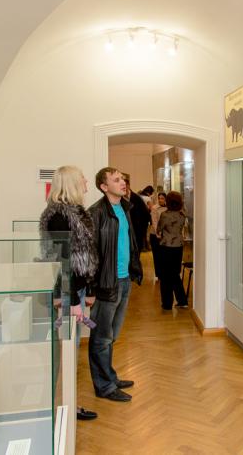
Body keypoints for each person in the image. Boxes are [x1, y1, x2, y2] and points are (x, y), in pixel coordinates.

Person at [38, 165, 99, 421]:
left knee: (70, 347)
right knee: (66, 349)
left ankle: (67, 404)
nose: (86, 182)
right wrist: (72, 299)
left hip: (76, 288)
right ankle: (63, 407)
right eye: (82, 178)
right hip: (67, 291)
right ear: (72, 183)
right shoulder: (58, 216)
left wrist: (87, 289)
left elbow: (86, 255)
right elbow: (61, 261)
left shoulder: (75, 212)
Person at [88, 167, 143, 402]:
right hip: (106, 284)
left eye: (123, 178)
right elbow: (90, 255)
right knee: (101, 338)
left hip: (124, 280)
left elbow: (130, 243)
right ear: (104, 186)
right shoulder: (96, 213)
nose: (123, 182)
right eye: (116, 179)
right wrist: (91, 289)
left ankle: (109, 377)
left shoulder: (125, 208)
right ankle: (104, 386)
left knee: (112, 335)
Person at [156, 191, 188, 310]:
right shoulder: (182, 215)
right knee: (175, 274)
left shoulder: (165, 215)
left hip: (166, 246)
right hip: (178, 246)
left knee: (165, 275)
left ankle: (167, 303)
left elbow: (159, 229)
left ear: (168, 202)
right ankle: (182, 300)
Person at [122, 173, 150, 252]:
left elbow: (146, 216)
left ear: (128, 186)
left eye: (124, 185)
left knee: (136, 255)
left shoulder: (137, 198)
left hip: (136, 233)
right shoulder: (119, 198)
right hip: (124, 234)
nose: (122, 187)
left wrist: (141, 232)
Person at [149, 192, 167, 281]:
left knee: (164, 256)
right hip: (155, 235)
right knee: (157, 256)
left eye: (162, 198)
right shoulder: (154, 208)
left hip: (165, 235)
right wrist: (158, 234)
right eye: (159, 198)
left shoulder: (168, 208)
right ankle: (158, 274)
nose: (160, 200)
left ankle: (164, 273)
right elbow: (155, 222)